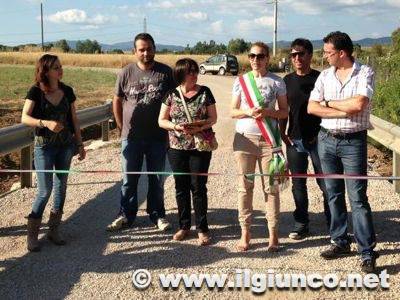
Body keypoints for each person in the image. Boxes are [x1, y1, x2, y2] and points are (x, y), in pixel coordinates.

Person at [308, 31, 378, 273]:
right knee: (333, 194)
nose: (324, 56)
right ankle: (339, 241)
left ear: (342, 53)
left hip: (353, 143)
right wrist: (339, 109)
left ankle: (367, 251)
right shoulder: (325, 76)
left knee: (357, 198)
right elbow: (311, 107)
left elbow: (359, 105)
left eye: (328, 52)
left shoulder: (364, 72)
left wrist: (327, 103)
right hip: (326, 140)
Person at [108, 33, 174, 231]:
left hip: (158, 136)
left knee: (156, 179)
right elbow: (117, 100)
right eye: (141, 49)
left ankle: (157, 215)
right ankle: (125, 215)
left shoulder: (166, 73)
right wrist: (121, 126)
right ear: (134, 51)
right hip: (131, 137)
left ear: (155, 48)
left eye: (149, 49)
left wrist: (171, 129)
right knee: (129, 179)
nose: (146, 53)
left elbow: (174, 101)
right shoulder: (125, 73)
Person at [21, 54, 86, 252]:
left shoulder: (67, 90)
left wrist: (80, 143)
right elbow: (24, 117)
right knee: (44, 190)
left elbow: (74, 118)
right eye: (56, 67)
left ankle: (54, 230)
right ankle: (32, 235)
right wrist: (45, 123)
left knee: (61, 187)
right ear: (45, 71)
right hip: (44, 147)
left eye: (60, 66)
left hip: (66, 146)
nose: (60, 70)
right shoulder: (35, 91)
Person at [231, 42, 288, 252]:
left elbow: (284, 112)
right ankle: (245, 233)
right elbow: (232, 111)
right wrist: (249, 112)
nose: (256, 59)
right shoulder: (241, 82)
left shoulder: (277, 82)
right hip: (244, 139)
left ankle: (273, 235)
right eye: (252, 55)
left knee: (271, 188)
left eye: (260, 56)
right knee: (245, 187)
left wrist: (267, 113)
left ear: (268, 58)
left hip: (269, 141)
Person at [159, 58, 217, 245]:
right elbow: (161, 120)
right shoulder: (171, 94)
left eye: (195, 70)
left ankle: (202, 228)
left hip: (199, 147)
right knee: (181, 187)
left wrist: (199, 126)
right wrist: (176, 126)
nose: (193, 74)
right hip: (176, 147)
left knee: (199, 187)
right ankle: (184, 226)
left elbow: (213, 118)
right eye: (189, 71)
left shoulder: (205, 92)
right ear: (181, 73)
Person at [279, 38, 331, 240]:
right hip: (295, 140)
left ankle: (333, 223)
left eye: (301, 54)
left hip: (321, 139)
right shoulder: (287, 80)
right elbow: (284, 111)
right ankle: (301, 224)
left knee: (326, 184)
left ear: (310, 55)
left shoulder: (322, 78)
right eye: (293, 55)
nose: (297, 58)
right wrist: (283, 133)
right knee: (298, 184)